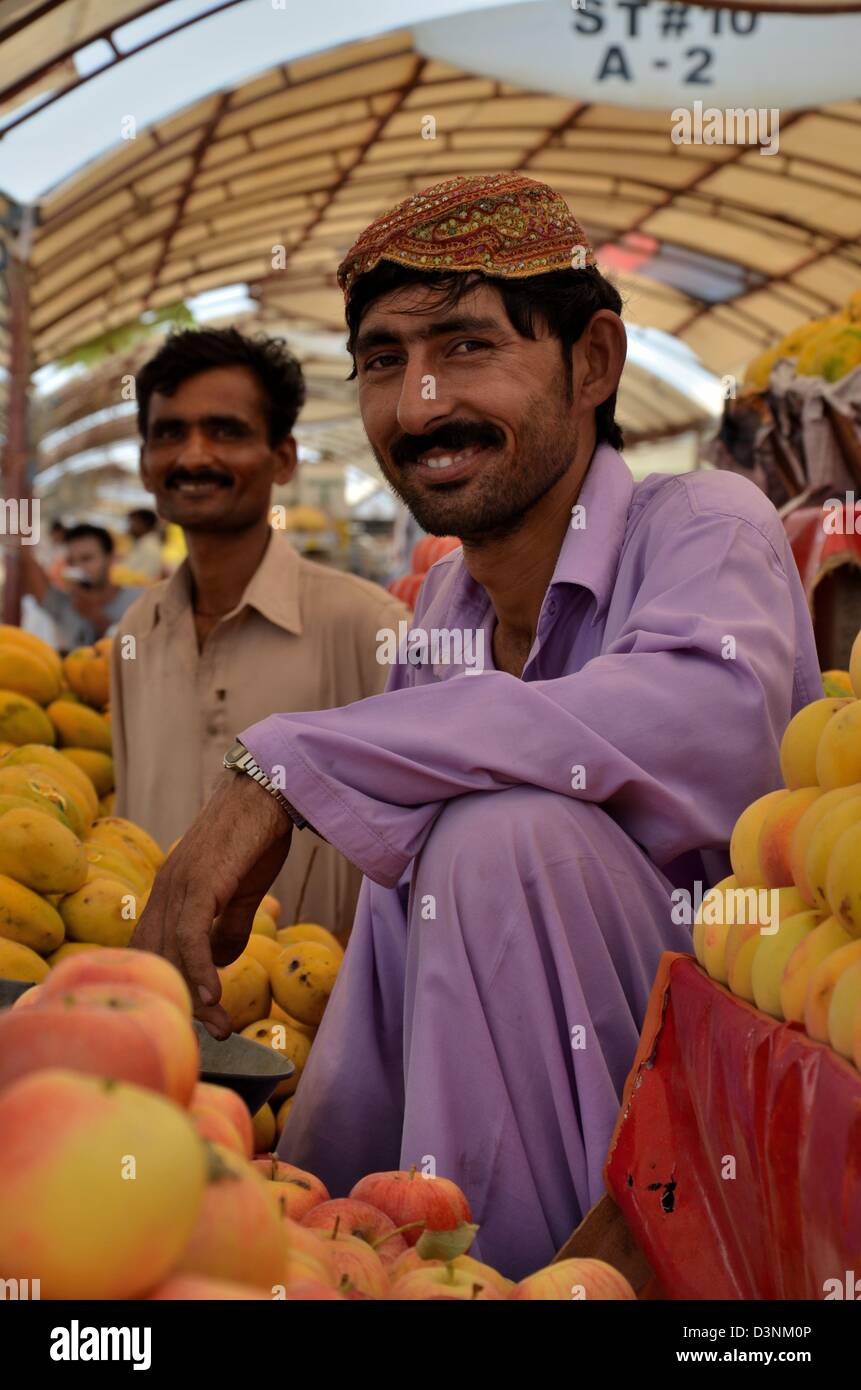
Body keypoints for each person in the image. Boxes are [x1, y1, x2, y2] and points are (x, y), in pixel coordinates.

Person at [132, 173, 823, 1276]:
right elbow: (401, 942)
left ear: (593, 362)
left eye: (465, 347)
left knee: (504, 835)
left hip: (719, 1128)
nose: (419, 404)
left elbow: (694, 728)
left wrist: (283, 765)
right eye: (383, 362)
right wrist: (314, 1207)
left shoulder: (702, 524)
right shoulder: (444, 610)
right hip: (457, 1193)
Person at [111, 328, 408, 936]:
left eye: (226, 431)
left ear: (283, 458)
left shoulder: (369, 627)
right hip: (158, 1002)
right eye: (169, 434)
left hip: (314, 1007)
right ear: (145, 465)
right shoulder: (137, 631)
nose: (194, 457)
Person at [21, 523, 142, 650]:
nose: (78, 567)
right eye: (71, 561)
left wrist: (96, 617)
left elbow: (138, 654)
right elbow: (29, 565)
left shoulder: (139, 601)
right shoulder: (65, 603)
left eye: (87, 559)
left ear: (110, 558)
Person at [124, 509, 164, 581]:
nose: (129, 527)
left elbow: (144, 577)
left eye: (132, 523)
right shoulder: (144, 542)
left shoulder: (150, 546)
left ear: (143, 524)